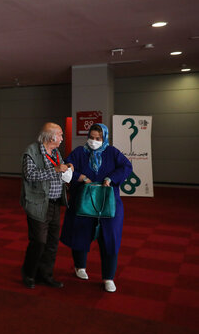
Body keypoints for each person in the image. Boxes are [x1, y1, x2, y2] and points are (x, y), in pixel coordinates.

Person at [60, 123, 132, 293]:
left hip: (108, 203)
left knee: (110, 238)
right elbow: (66, 168)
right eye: (91, 137)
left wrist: (111, 178)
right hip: (83, 201)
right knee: (80, 232)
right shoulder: (79, 152)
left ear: (104, 138)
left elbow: (126, 167)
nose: (94, 141)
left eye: (98, 138)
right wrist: (80, 177)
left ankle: (108, 277)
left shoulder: (112, 152)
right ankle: (80, 267)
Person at [20, 122, 71, 289]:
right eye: (61, 135)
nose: (62, 138)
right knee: (39, 241)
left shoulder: (55, 152)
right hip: (38, 204)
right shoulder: (32, 151)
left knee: (52, 242)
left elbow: (59, 170)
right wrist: (55, 170)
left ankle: (46, 274)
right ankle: (28, 274)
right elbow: (30, 175)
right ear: (51, 137)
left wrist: (67, 170)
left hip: (55, 203)